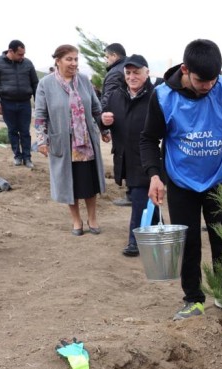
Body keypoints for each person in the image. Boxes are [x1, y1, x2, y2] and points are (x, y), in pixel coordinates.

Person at [139, 39, 222, 321]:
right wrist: (154, 175)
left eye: (212, 80)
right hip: (182, 181)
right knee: (190, 241)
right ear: (185, 69)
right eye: (200, 80)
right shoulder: (162, 97)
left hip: (219, 178)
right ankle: (193, 298)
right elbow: (148, 139)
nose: (207, 86)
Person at [34, 44, 105, 236]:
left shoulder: (83, 80)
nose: (73, 63)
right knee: (68, 182)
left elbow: (96, 109)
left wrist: (104, 129)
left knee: (89, 183)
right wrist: (41, 140)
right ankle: (76, 220)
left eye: (76, 59)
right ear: (58, 61)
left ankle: (92, 218)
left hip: (86, 142)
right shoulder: (46, 84)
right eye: (69, 59)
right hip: (64, 143)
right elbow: (40, 115)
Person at [99, 54, 157, 257]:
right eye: (128, 73)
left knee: (140, 198)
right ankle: (159, 229)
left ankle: (135, 241)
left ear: (147, 73)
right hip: (124, 156)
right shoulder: (116, 95)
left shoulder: (156, 96)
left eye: (137, 72)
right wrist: (103, 121)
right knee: (143, 197)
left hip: (148, 158)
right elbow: (103, 116)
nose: (132, 77)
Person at [0, 40, 38, 168]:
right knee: (12, 131)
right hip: (7, 103)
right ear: (10, 51)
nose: (23, 57)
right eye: (20, 54)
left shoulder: (27, 63)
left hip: (25, 103)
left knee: (25, 131)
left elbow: (35, 83)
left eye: (24, 54)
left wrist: (38, 102)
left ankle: (27, 158)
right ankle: (17, 156)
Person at [101, 43, 132, 207]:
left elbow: (108, 98)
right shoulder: (128, 67)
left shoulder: (114, 73)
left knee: (123, 155)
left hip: (120, 119)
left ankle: (131, 194)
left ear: (114, 56)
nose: (106, 61)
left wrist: (102, 123)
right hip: (132, 117)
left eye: (107, 57)